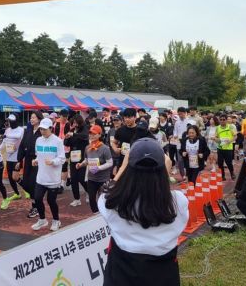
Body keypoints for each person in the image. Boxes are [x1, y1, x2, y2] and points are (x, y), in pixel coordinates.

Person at [99, 138, 189, 286]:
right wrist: (163, 171)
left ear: (129, 166)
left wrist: (122, 167)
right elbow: (163, 192)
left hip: (121, 275)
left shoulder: (110, 202)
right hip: (163, 276)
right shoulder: (178, 202)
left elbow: (108, 190)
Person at [31, 118, 65, 231]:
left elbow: (62, 158)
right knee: (37, 198)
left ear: (51, 128)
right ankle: (42, 220)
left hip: (53, 178)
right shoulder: (38, 140)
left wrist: (53, 162)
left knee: (51, 201)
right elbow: (38, 154)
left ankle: (56, 220)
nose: (42, 131)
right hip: (41, 176)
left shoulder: (58, 141)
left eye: (45, 129)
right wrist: (36, 160)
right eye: (41, 129)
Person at [77, 125, 112, 213]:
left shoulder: (105, 148)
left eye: (94, 134)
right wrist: (81, 164)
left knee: (102, 200)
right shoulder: (87, 147)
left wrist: (99, 168)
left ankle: (103, 215)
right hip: (91, 178)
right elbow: (86, 159)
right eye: (90, 134)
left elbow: (110, 163)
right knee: (92, 199)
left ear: (99, 135)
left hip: (103, 179)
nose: (91, 136)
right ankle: (95, 213)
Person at [17, 111, 43, 218]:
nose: (31, 119)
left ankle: (36, 207)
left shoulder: (42, 132)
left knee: (33, 184)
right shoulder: (27, 131)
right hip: (28, 160)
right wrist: (19, 160)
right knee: (27, 184)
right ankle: (36, 205)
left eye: (34, 117)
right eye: (31, 118)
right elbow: (22, 146)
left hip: (38, 161)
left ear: (39, 119)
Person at [65, 115, 89, 207]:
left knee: (82, 178)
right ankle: (77, 199)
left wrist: (73, 134)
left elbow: (85, 137)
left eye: (76, 122)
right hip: (73, 157)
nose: (74, 124)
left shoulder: (84, 129)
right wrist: (66, 138)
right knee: (73, 179)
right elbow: (66, 143)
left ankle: (88, 191)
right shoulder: (71, 131)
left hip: (82, 157)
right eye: (73, 123)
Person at [0, 114, 24, 201]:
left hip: (17, 157)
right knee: (10, 178)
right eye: (9, 121)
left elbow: (18, 137)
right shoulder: (7, 130)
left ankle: (27, 189)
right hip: (9, 157)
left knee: (15, 177)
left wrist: (6, 136)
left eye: (11, 121)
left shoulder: (21, 130)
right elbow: (4, 142)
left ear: (16, 121)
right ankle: (17, 193)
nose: (9, 122)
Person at [53, 109, 71, 189]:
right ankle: (58, 181)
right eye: (64, 117)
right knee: (57, 164)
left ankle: (62, 185)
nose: (65, 118)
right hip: (57, 146)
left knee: (64, 165)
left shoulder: (68, 124)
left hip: (66, 147)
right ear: (60, 115)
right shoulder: (55, 123)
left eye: (66, 117)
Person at [172, 107, 190, 179]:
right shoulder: (177, 122)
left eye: (181, 114)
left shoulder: (189, 122)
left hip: (188, 143)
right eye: (179, 114)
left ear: (185, 113)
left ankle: (189, 174)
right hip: (179, 143)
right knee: (179, 160)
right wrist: (175, 136)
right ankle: (183, 175)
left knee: (188, 159)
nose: (180, 116)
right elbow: (175, 131)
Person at [216, 115, 236, 181]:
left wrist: (230, 141)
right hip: (220, 148)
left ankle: (232, 173)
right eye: (221, 119)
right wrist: (215, 139)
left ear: (226, 120)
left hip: (228, 148)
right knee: (220, 163)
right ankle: (222, 176)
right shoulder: (218, 128)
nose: (222, 121)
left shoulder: (230, 127)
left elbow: (235, 136)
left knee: (229, 163)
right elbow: (216, 137)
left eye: (223, 119)